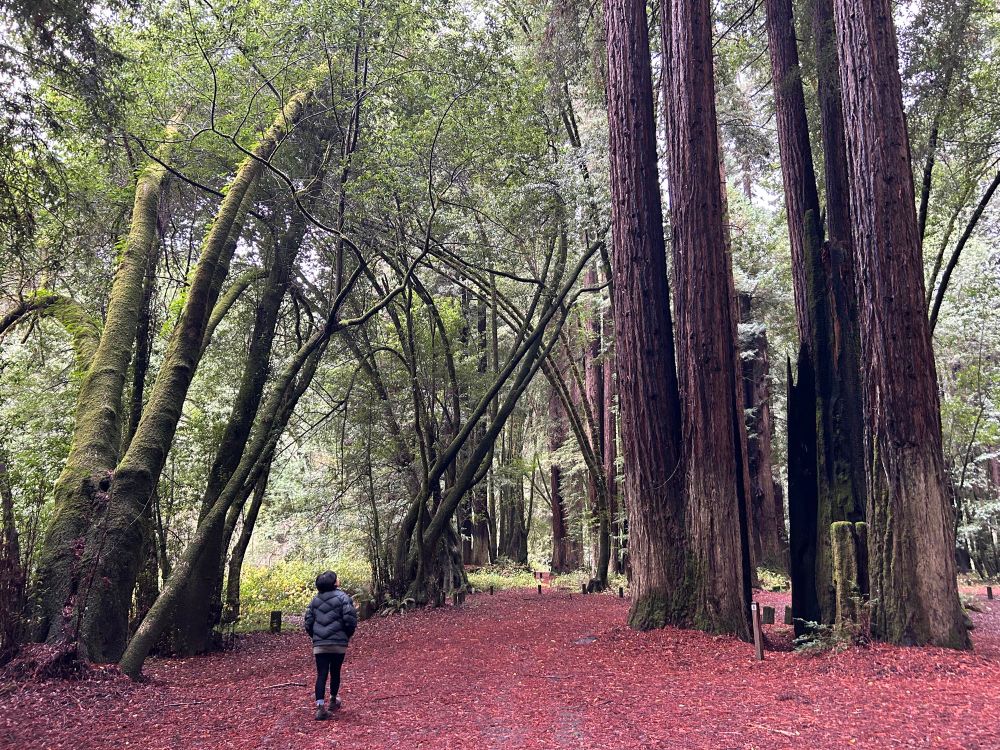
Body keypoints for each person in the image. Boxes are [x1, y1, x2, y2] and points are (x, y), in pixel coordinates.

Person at [304, 570, 358, 720]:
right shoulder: (343, 598)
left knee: (321, 674)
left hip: (320, 644)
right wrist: (346, 635)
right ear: (334, 583)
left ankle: (320, 707)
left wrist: (316, 638)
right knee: (335, 671)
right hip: (338, 643)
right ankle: (333, 700)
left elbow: (308, 622)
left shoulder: (314, 601)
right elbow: (350, 620)